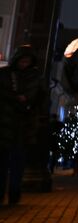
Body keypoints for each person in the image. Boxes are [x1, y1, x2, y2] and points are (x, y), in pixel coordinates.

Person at [0, 46, 43, 206]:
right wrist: (18, 99)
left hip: (22, 127)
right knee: (4, 163)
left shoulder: (34, 77)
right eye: (22, 61)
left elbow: (36, 98)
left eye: (27, 61)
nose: (24, 64)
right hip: (6, 125)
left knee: (17, 162)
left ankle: (14, 194)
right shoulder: (5, 74)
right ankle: (4, 193)